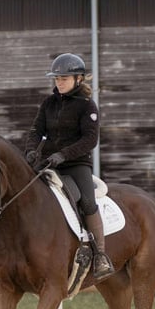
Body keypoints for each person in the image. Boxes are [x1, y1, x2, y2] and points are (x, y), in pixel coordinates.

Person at [25, 53, 115, 281]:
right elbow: (36, 131)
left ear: (78, 79)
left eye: (64, 78)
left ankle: (100, 256)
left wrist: (63, 155)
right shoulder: (48, 103)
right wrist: (31, 151)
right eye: (57, 78)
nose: (59, 82)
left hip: (76, 165)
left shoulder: (87, 106)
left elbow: (89, 140)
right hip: (48, 163)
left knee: (86, 201)